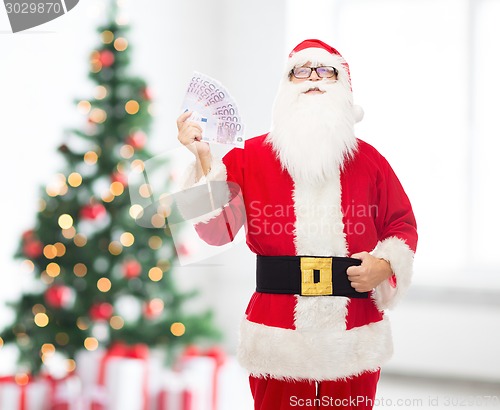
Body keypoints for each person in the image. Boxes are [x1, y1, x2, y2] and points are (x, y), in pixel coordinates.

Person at [176, 39, 417, 410]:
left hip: (353, 331)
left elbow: (401, 226)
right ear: (284, 90)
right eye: (300, 72)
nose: (313, 80)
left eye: (326, 71)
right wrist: (205, 160)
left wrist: (384, 265)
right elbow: (214, 231)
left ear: (344, 89)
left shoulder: (370, 162)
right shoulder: (248, 158)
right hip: (277, 334)